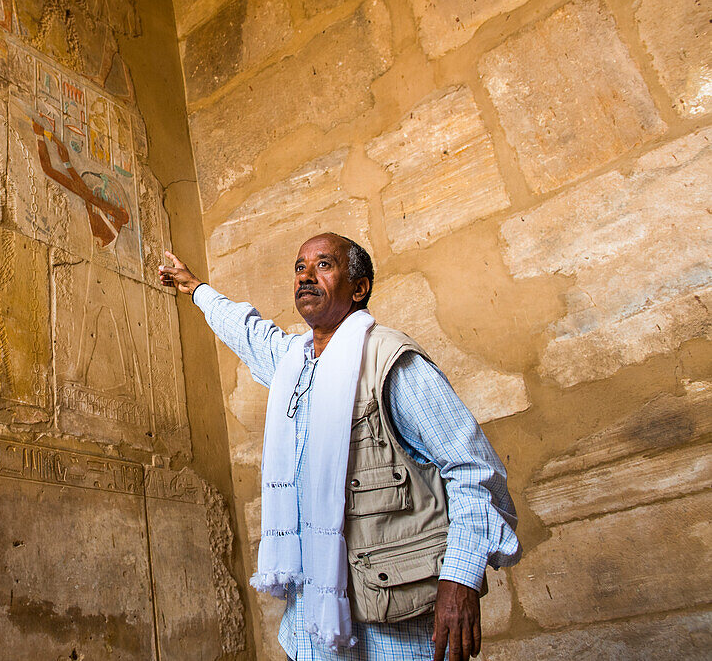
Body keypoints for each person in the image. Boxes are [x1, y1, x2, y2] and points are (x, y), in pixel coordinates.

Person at [159, 234, 520, 661]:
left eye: (323, 265)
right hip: (311, 623)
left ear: (359, 287)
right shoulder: (294, 362)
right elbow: (247, 331)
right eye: (299, 268)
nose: (306, 277)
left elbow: (473, 470)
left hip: (393, 624)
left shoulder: (390, 361)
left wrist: (460, 579)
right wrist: (195, 287)